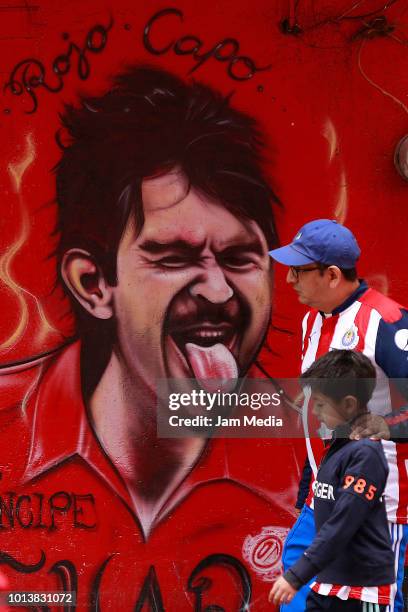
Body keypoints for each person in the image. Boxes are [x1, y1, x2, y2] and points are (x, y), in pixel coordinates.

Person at [0, 65, 297, 609]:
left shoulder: (322, 433)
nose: (216, 290)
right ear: (94, 283)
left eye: (239, 259)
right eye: (175, 258)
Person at [269, 218, 408, 612]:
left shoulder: (387, 322)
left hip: (377, 505)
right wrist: (309, 484)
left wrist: (389, 424)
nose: (289, 279)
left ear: (331, 275)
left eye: (298, 270)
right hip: (324, 495)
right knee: (295, 600)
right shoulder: (311, 321)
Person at [269, 349, 395, 611]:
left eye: (321, 403)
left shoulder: (365, 455)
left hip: (361, 594)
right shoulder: (336, 444)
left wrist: (295, 576)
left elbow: (343, 523)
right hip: (326, 585)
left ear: (349, 404)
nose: (313, 410)